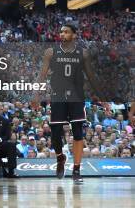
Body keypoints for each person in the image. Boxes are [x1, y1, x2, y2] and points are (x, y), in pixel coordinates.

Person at [33, 24, 103, 184]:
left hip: (77, 97)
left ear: (74, 35)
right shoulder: (51, 52)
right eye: (61, 31)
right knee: (56, 134)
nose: (62, 34)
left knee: (78, 133)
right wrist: (36, 94)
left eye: (66, 32)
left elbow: (92, 77)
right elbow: (42, 75)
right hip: (57, 96)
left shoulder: (83, 53)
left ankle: (76, 169)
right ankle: (60, 157)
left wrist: (103, 97)